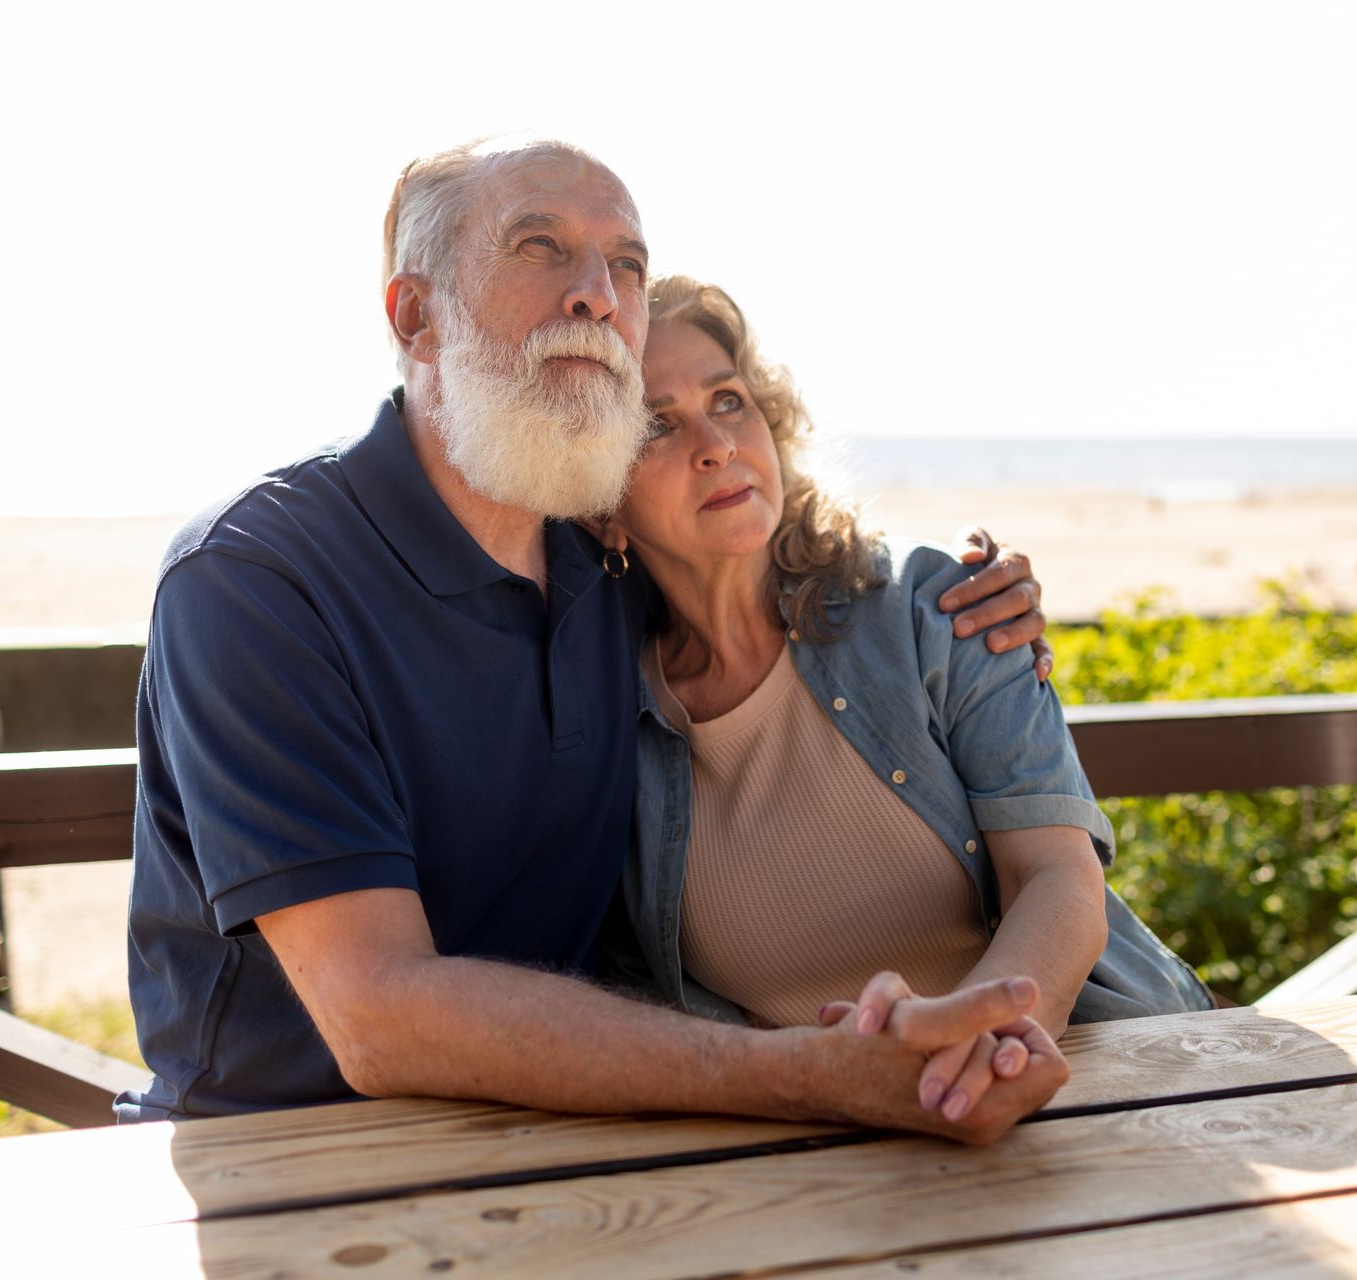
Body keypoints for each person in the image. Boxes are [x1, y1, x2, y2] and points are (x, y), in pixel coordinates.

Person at [121, 137, 1068, 1144]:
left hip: (589, 1131)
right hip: (294, 1153)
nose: (598, 296)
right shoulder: (258, 580)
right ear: (416, 315)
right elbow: (376, 1015)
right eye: (540, 246)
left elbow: (767, 572)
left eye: (627, 263)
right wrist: (810, 1073)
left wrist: (982, 598)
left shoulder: (611, 567)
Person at [599, 277, 1211, 1121]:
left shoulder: (934, 607)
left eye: (729, 400)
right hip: (807, 1148)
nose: (715, 444)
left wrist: (972, 1050)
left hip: (1091, 1084)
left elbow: (1055, 876)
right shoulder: (603, 723)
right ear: (601, 508)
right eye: (657, 424)